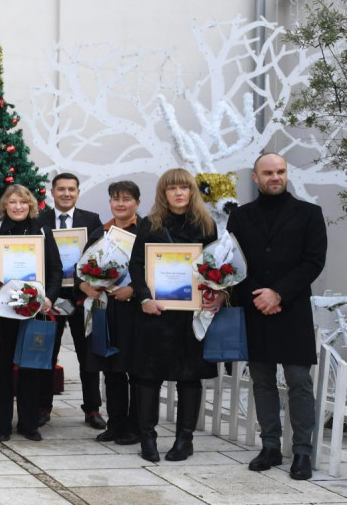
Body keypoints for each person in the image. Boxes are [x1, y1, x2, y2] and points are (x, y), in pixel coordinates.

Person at [227, 153, 327, 480]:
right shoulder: (240, 217)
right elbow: (233, 264)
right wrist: (259, 295)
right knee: (262, 381)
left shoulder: (309, 214)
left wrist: (279, 293)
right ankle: (269, 445)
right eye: (268, 172)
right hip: (257, 308)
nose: (276, 177)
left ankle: (302, 451)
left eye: (281, 171)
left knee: (299, 381)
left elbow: (313, 262)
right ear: (255, 177)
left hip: (292, 309)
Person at [129, 169, 223, 463]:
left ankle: (185, 440)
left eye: (184, 187)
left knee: (189, 377)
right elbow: (136, 266)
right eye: (172, 189)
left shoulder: (206, 225)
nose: (179, 193)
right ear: (163, 193)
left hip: (190, 316)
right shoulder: (150, 224)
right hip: (156, 313)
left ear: (192, 191)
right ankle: (148, 437)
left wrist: (214, 292)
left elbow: (215, 267)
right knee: (148, 377)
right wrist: (144, 297)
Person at [0, 184, 62, 442]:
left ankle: (29, 425)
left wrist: (48, 297)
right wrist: (5, 290)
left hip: (32, 310)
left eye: (23, 202)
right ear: (4, 205)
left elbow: (55, 270)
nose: (17, 207)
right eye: (12, 202)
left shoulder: (42, 232)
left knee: (30, 369)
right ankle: (2, 426)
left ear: (31, 206)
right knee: (2, 369)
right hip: (3, 310)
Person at [80, 180, 143, 445]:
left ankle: (136, 427)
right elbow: (80, 269)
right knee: (112, 370)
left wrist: (134, 290)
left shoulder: (147, 231)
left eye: (127, 199)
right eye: (116, 199)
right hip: (108, 309)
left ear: (137, 203)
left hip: (135, 312)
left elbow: (151, 270)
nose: (121, 204)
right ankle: (115, 424)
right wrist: (86, 286)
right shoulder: (100, 233)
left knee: (136, 371)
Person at [42, 173, 106, 429]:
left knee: (87, 356)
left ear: (78, 192)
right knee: (48, 354)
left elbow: (100, 257)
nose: (66, 194)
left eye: (71, 189)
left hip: (83, 297)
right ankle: (42, 407)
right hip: (51, 298)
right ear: (52, 192)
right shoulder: (41, 220)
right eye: (61, 189)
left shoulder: (91, 220)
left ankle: (92, 409)